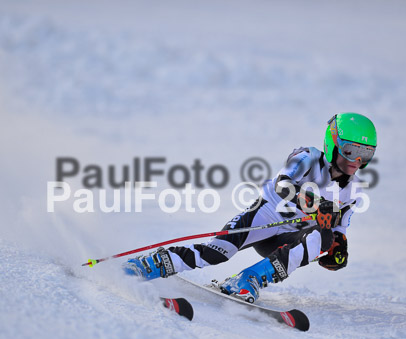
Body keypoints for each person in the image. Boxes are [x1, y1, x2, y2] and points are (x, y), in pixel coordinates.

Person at [125, 113, 377, 303]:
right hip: (263, 216)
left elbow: (339, 227)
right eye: (350, 150)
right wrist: (314, 205)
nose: (356, 161)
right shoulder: (308, 157)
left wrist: (338, 247)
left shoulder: (353, 191)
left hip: (287, 239)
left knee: (322, 238)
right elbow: (283, 185)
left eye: (365, 155)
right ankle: (152, 264)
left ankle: (249, 279)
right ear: (333, 143)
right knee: (217, 253)